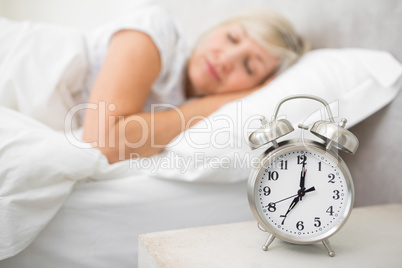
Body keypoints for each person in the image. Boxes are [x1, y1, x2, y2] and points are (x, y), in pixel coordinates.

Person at [81, 5, 308, 163]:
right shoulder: (157, 30)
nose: (226, 59)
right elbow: (104, 143)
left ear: (257, 85)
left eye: (249, 67)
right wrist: (234, 97)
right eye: (232, 38)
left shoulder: (198, 116)